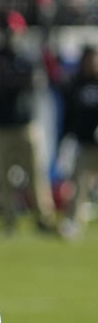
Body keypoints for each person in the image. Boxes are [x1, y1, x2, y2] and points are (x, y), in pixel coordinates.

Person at [0, 10, 58, 234]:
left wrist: (10, 83)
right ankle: (9, 220)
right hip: (0, 126)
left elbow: (34, 83)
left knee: (36, 174)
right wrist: (13, 82)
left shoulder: (27, 59)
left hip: (25, 125)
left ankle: (43, 218)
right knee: (4, 177)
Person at [59, 44, 98, 238]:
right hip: (85, 144)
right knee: (79, 184)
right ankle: (73, 223)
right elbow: (70, 113)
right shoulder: (77, 84)